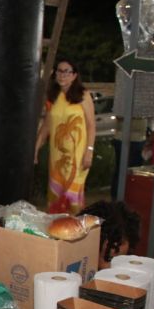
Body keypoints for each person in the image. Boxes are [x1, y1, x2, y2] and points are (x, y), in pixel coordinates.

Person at [34, 59, 96, 214]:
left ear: (74, 75)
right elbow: (47, 126)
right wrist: (35, 149)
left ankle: (74, 231)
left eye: (66, 71)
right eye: (59, 71)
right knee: (56, 195)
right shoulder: (52, 97)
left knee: (72, 197)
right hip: (57, 157)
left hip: (78, 156)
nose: (62, 75)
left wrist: (89, 151)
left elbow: (91, 125)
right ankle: (57, 232)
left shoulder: (83, 95)